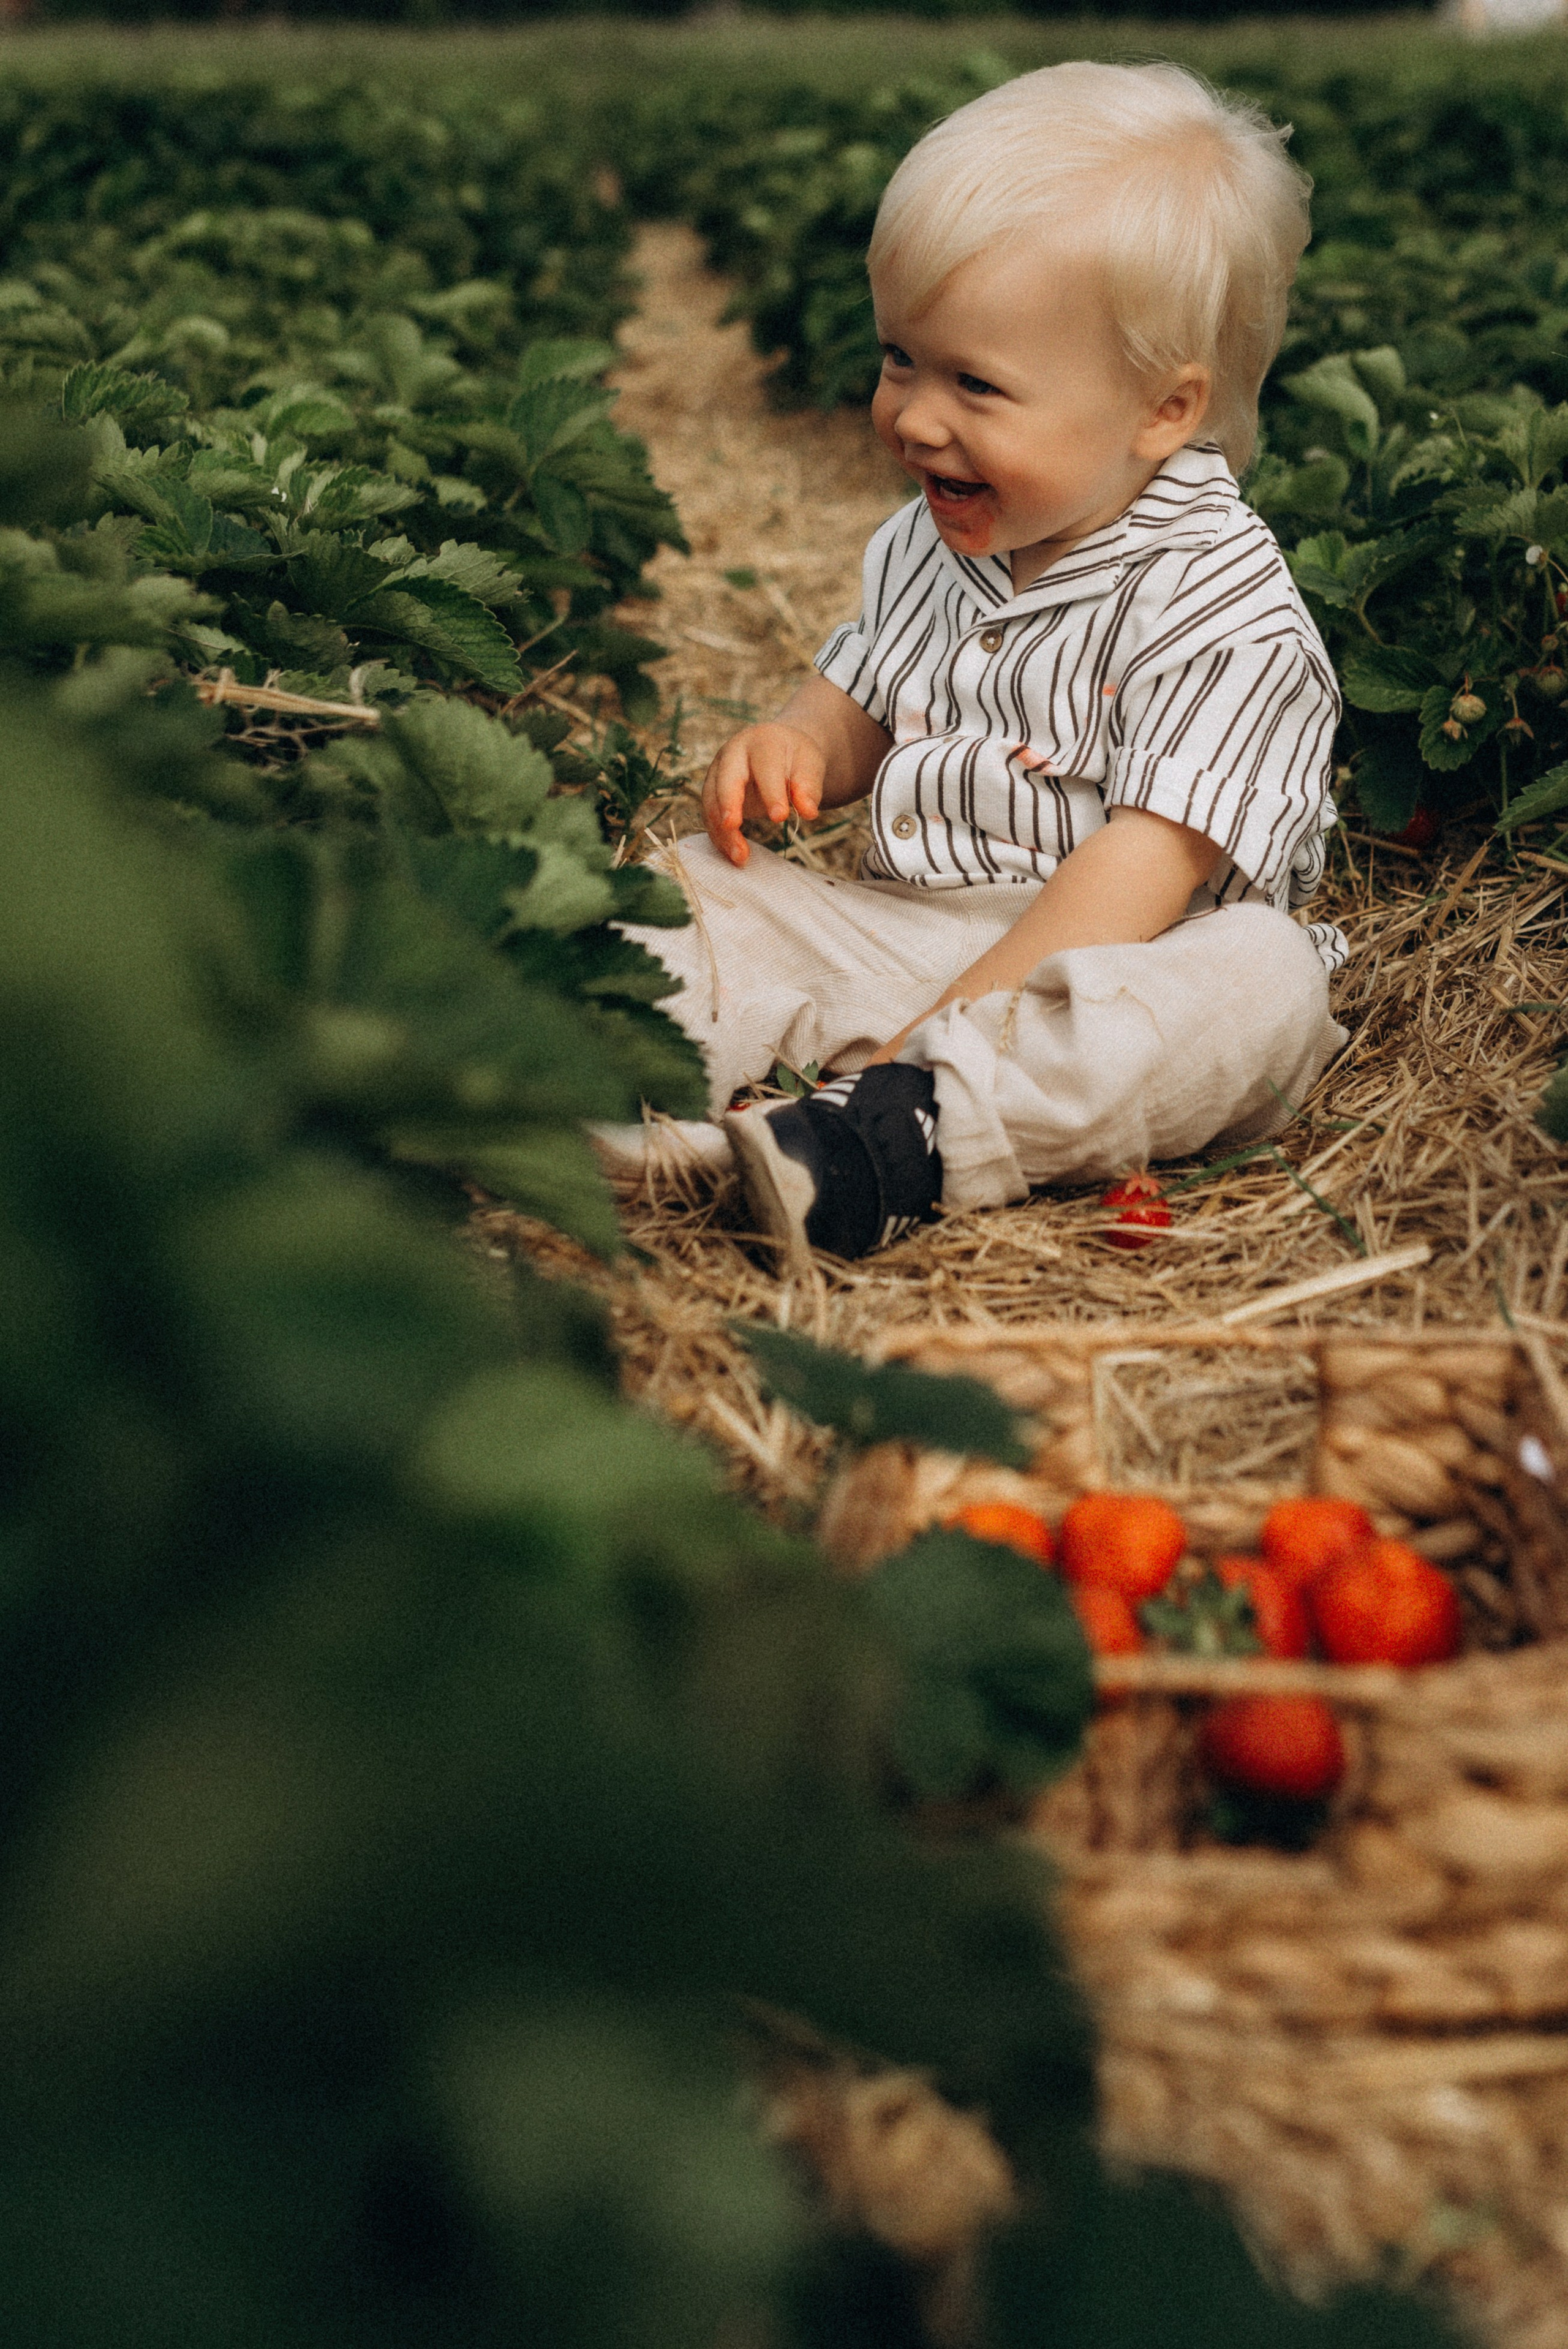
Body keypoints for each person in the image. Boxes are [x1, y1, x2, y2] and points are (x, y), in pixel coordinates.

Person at [603, 60, 1349, 1269]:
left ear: (1162, 412)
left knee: (1260, 990)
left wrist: (932, 1047)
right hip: (901, 925)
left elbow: (1139, 869)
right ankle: (579, 1064)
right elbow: (864, 695)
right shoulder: (929, 538)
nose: (915, 418)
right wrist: (802, 737)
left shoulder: (1224, 606)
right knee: (699, 891)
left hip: (1108, 981)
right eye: (901, 359)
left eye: (975, 385)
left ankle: (895, 1141)